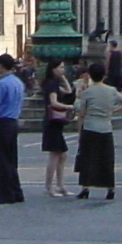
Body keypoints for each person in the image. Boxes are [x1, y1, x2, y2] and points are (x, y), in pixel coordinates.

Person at [72, 62, 122, 200]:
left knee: (87, 159)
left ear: (90, 75)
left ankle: (85, 187)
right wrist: (112, 111)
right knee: (106, 159)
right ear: (104, 75)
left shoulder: (87, 92)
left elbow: (82, 113)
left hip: (90, 126)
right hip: (105, 126)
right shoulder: (111, 90)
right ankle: (110, 188)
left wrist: (79, 130)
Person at [0, 54, 25, 203]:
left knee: (2, 161)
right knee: (11, 159)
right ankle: (16, 192)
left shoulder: (2, 84)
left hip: (2, 122)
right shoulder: (18, 82)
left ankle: (6, 195)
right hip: (13, 121)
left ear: (1, 66)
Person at [40, 61, 76, 198]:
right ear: (53, 69)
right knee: (55, 155)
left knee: (62, 154)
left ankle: (60, 185)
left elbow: (68, 91)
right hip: (52, 122)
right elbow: (53, 102)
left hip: (54, 122)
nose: (63, 69)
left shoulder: (53, 82)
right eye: (60, 67)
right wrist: (69, 107)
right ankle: (49, 187)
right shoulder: (52, 84)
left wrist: (63, 78)